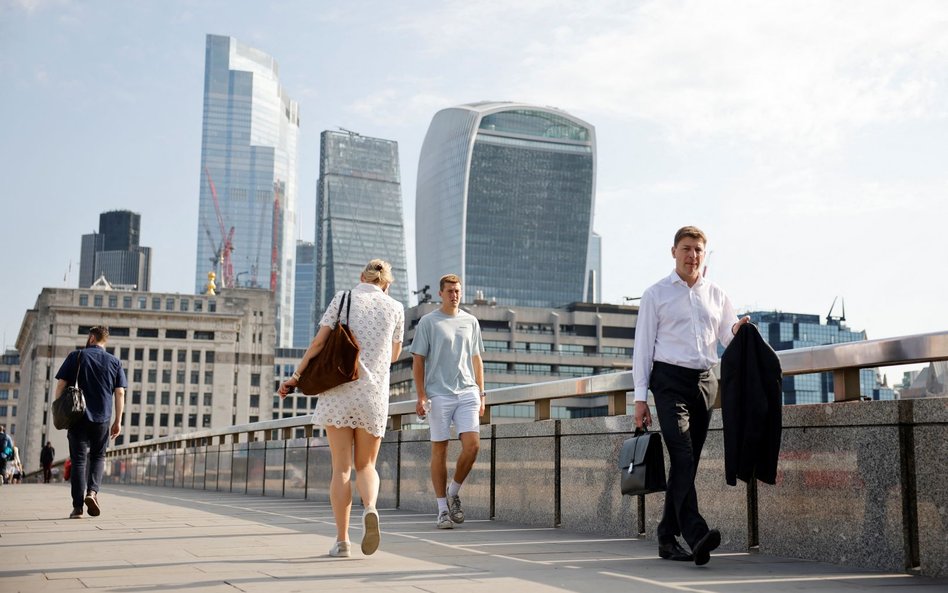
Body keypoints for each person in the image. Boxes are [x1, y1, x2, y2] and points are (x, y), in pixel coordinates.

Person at [632, 226, 749, 566]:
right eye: (686, 248)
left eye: (698, 249)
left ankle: (667, 536)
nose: (692, 255)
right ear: (673, 252)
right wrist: (640, 398)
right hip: (668, 381)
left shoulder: (716, 294)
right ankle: (696, 533)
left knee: (689, 462)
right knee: (682, 456)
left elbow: (729, 335)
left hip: (707, 382)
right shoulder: (655, 294)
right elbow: (642, 348)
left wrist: (741, 330)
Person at [278, 259, 404, 558]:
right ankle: (370, 507)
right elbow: (394, 354)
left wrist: (296, 377)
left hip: (338, 393)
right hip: (372, 395)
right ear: (386, 283)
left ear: (362, 276)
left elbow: (318, 343)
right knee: (367, 466)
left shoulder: (344, 297)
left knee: (342, 469)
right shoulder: (396, 308)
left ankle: (342, 541)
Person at [411, 274, 486, 529]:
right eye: (450, 291)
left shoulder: (471, 321)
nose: (455, 295)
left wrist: (482, 392)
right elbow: (418, 361)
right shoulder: (428, 322)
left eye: (458, 291)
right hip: (438, 394)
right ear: (441, 294)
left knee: (472, 446)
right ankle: (442, 509)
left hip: (467, 392)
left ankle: (454, 491)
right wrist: (421, 395)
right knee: (440, 451)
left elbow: (476, 359)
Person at [54, 326, 127, 518]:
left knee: (78, 460)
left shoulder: (76, 356)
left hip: (77, 416)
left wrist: (58, 408)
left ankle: (77, 508)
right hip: (103, 418)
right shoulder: (115, 362)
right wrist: (118, 420)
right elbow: (120, 392)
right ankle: (92, 493)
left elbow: (61, 383)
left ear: (92, 338)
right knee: (98, 457)